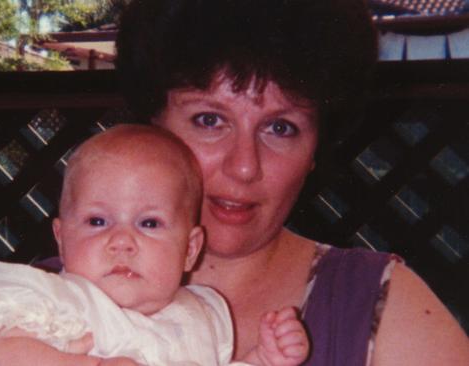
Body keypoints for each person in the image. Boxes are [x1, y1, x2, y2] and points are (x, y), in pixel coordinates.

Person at [111, 1, 469, 365]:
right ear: (152, 124)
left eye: (280, 128)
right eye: (209, 120)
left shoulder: (384, 307)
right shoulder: (57, 297)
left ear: (316, 148)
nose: (245, 166)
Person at [0, 125, 309, 366]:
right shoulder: (55, 299)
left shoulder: (203, 317)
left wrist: (263, 358)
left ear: (190, 248)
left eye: (149, 223)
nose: (121, 241)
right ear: (61, 239)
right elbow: (0, 354)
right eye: (98, 222)